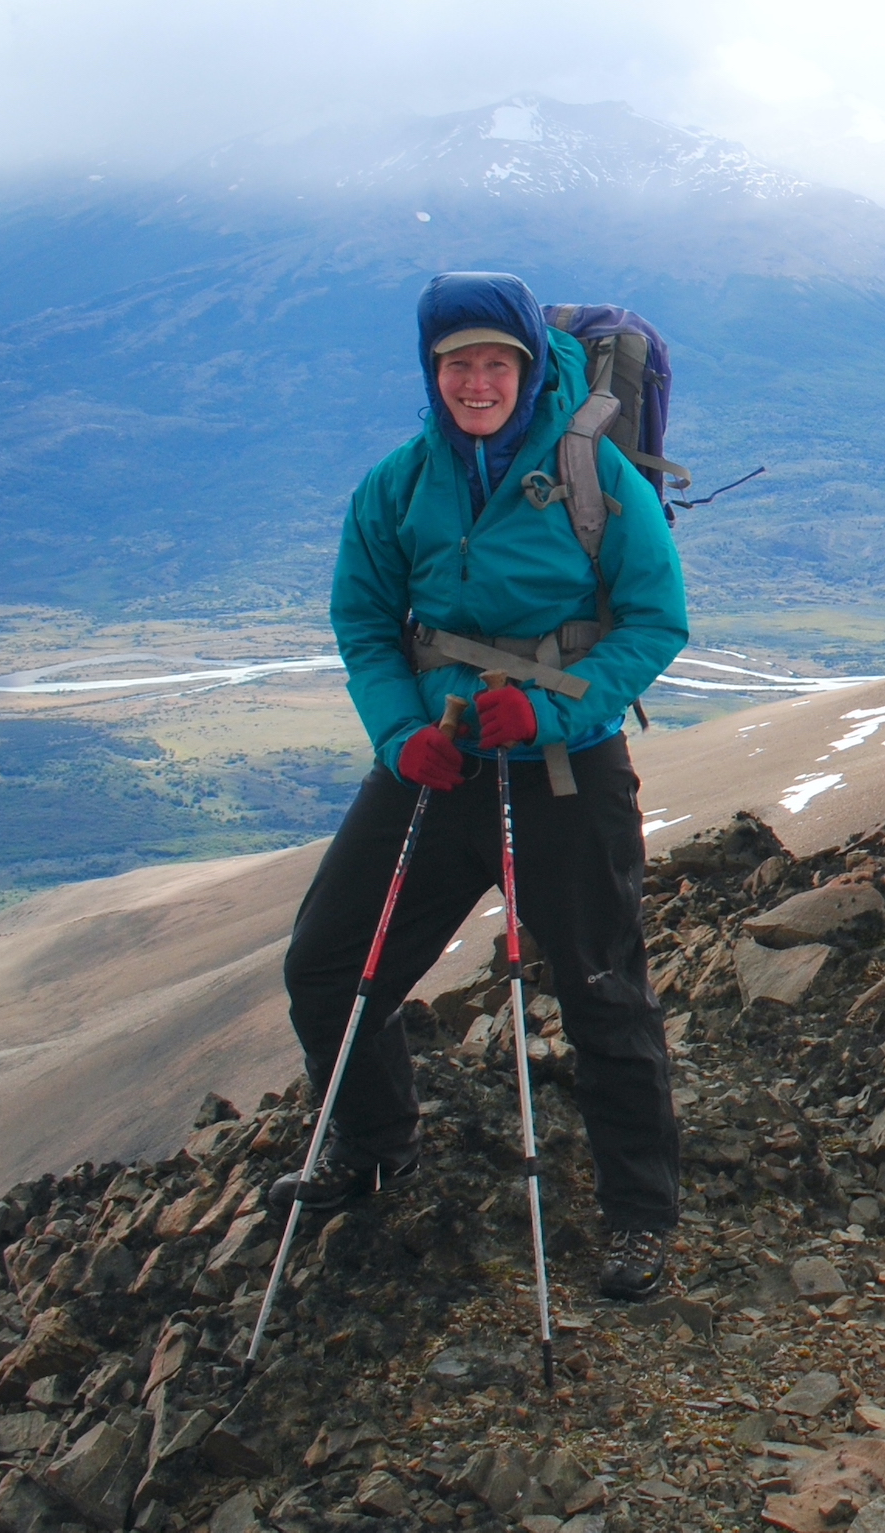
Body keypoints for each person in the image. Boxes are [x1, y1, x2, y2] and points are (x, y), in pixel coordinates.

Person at [275, 271, 690, 1301]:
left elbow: (654, 620)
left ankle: (641, 1217)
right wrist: (401, 732)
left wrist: (553, 712)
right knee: (328, 964)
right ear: (432, 373)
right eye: (456, 364)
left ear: (526, 365)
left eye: (493, 363)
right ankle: (377, 1147)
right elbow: (365, 622)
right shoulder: (400, 484)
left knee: (600, 988)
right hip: (438, 765)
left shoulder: (594, 476)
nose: (475, 382)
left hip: (562, 767)